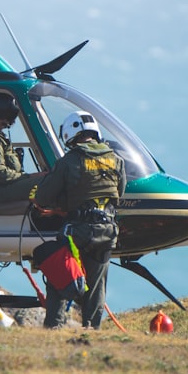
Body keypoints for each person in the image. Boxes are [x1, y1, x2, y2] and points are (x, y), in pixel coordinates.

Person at [33, 111, 126, 329]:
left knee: (61, 277)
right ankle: (91, 331)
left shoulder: (70, 161)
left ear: (69, 135)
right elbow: (118, 195)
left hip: (78, 231)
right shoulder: (116, 160)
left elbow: (43, 196)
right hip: (108, 230)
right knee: (97, 286)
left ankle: (54, 328)